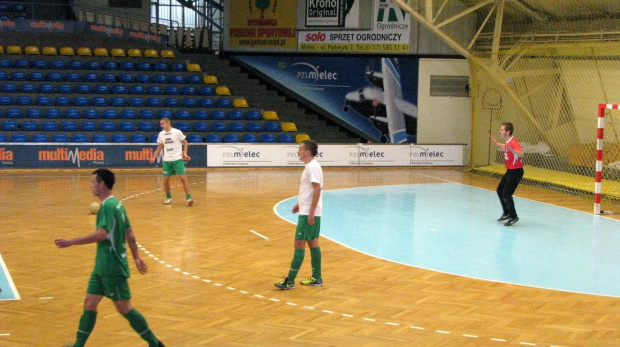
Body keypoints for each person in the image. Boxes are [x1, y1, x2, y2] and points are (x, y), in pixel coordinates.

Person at [55, 169, 164, 347]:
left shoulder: (107, 207)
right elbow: (129, 232)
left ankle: (154, 343)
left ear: (102, 184)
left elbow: (101, 234)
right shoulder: (118, 205)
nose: (90, 186)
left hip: (112, 267)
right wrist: (136, 257)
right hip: (101, 267)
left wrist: (71, 242)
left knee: (124, 308)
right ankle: (78, 345)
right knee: (90, 302)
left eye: (92, 182)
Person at [275, 139, 324, 289]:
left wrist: (310, 213)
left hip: (309, 213)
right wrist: (300, 204)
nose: (298, 152)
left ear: (307, 152)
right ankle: (317, 278)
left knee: (299, 243)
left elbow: (317, 190)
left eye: (300, 149)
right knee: (312, 242)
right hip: (309, 210)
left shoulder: (312, 167)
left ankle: (290, 281)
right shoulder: (311, 166)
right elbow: (310, 190)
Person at [150, 117, 193, 206]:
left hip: (177, 159)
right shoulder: (161, 134)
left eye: (162, 123)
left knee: (183, 179)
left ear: (167, 123)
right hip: (167, 160)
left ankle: (189, 198)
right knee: (166, 180)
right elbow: (160, 146)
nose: (161, 125)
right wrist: (154, 156)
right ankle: (168, 197)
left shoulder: (177, 132)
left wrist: (184, 153)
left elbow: (185, 142)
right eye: (161, 124)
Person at [490, 122, 524, 226]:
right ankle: (506, 213)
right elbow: (506, 146)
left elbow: (521, 154)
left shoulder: (513, 143)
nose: (500, 131)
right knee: (500, 190)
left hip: (516, 171)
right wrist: (497, 144)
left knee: (506, 194)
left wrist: (511, 150)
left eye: (502, 130)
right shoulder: (508, 142)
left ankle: (513, 216)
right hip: (510, 171)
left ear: (508, 132)